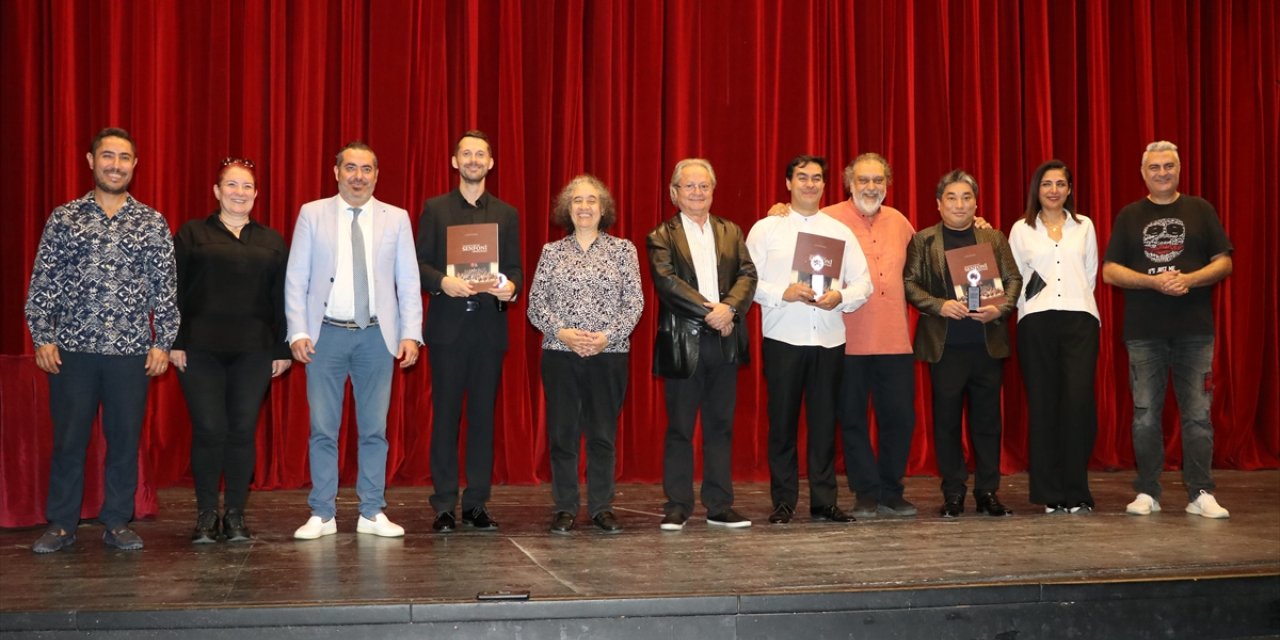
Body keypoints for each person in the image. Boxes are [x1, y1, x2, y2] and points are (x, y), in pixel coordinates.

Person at [25, 127, 178, 553]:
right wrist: (43, 335)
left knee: (125, 440)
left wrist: (162, 341)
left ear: (134, 165)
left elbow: (164, 288)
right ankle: (60, 524)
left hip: (130, 353)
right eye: (107, 156)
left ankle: (116, 521)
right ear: (91, 161)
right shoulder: (65, 218)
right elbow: (44, 282)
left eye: (124, 157)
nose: (116, 165)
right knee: (70, 439)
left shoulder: (151, 222)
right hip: (72, 350)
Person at [285, 141, 423, 539]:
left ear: (376, 175)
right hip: (324, 335)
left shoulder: (396, 218)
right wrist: (298, 330)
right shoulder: (312, 214)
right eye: (351, 168)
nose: (358, 176)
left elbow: (408, 281)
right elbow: (297, 278)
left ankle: (371, 510)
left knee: (374, 429)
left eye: (366, 169)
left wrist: (411, 333)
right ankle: (322, 513)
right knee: (323, 429)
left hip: (377, 338)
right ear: (336, 172)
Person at [1103, 141, 1233, 519]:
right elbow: (1111, 271)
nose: (1162, 172)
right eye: (1155, 167)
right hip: (1144, 332)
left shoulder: (1200, 209)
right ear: (1143, 173)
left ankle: (1201, 492)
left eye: (1169, 166)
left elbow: (1224, 262)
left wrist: (1189, 279)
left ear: (1179, 170)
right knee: (1145, 414)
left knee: (1198, 414)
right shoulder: (1129, 215)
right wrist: (1154, 282)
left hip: (1195, 330)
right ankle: (1147, 491)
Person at [745, 155, 872, 526]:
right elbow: (745, 281)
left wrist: (842, 298)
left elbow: (863, 282)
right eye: (802, 177)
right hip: (784, 338)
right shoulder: (766, 229)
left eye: (817, 178)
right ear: (788, 183)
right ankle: (783, 502)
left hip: (829, 340)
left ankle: (824, 502)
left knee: (823, 425)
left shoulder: (839, 231)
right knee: (782, 425)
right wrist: (780, 293)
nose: (810, 184)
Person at [170, 157, 292, 543]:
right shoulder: (191, 234)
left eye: (246, 187)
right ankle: (207, 515)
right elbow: (171, 290)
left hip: (253, 352)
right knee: (209, 430)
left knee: (241, 432)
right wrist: (174, 342)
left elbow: (283, 298)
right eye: (231, 185)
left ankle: (235, 516)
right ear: (217, 192)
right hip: (199, 351)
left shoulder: (271, 240)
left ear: (256, 194)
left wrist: (282, 347)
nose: (239, 193)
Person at [416, 131, 521, 533]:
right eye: (466, 154)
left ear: (490, 163)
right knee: (445, 418)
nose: (474, 160)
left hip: (489, 331)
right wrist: (443, 282)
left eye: (481, 154)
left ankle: (476, 503)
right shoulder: (436, 209)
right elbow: (420, 263)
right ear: (455, 161)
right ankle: (443, 505)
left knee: (482, 420)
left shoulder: (507, 214)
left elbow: (514, 270)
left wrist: (510, 288)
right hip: (447, 329)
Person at [527, 175, 643, 535]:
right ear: (568, 208)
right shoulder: (551, 252)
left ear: (603, 208)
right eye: (577, 201)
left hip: (608, 355)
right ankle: (564, 508)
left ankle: (601, 507)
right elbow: (535, 305)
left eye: (591, 200)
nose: (584, 207)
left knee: (602, 435)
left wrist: (605, 338)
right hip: (561, 354)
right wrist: (562, 333)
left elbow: (635, 303)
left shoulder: (624, 250)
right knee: (562, 435)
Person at [647, 158, 758, 531]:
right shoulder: (661, 235)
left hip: (725, 341)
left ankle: (719, 505)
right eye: (689, 186)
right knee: (680, 428)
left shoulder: (731, 230)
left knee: (720, 427)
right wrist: (712, 311)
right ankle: (677, 506)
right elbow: (667, 283)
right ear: (674, 193)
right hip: (684, 343)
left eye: (704, 186)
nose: (697, 193)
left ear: (713, 191)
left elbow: (747, 274)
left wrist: (730, 310)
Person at [904, 169, 1021, 518]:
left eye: (966, 197)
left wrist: (998, 309)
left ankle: (987, 492)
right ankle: (953, 492)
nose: (960, 204)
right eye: (951, 197)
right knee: (947, 423)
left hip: (987, 345)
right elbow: (909, 285)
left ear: (976, 202)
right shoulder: (923, 240)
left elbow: (1014, 279)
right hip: (946, 347)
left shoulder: (993, 237)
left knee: (987, 423)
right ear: (939, 204)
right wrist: (940, 305)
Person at [1009, 160, 1100, 514]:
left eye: (1060, 184)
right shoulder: (1021, 229)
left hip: (1079, 320)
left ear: (1069, 189)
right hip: (1037, 322)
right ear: (1037, 189)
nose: (1053, 190)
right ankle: (1050, 493)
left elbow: (1089, 272)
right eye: (1047, 184)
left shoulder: (1085, 226)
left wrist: (1072, 302)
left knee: (1077, 404)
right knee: (1044, 406)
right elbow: (1015, 278)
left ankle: (1077, 490)